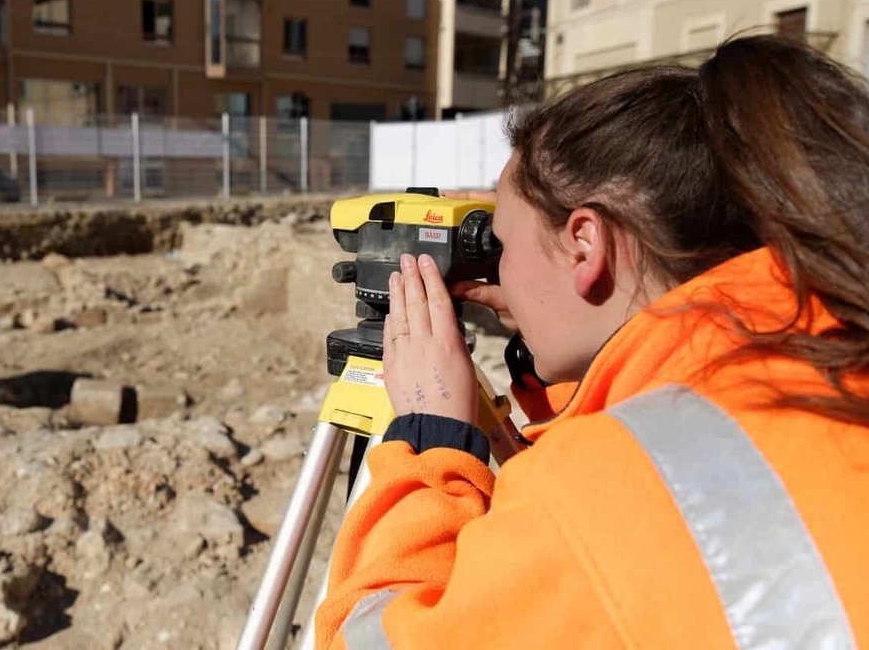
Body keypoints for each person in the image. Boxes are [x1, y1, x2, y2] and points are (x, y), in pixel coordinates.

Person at [316, 34, 868, 649]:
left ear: (585, 244)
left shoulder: (589, 494)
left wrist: (430, 436)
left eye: (503, 239)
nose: (498, 269)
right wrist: (544, 364)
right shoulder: (824, 346)